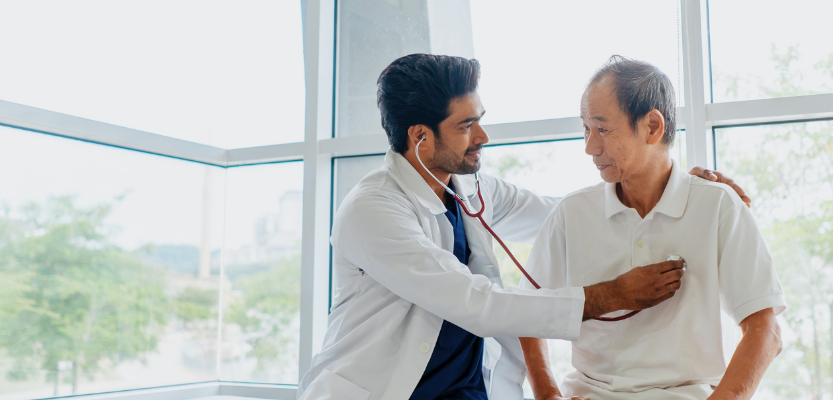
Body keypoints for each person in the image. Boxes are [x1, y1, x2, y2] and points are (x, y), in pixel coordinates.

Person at [302, 53, 752, 400]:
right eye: (467, 125)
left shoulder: (474, 190)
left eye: (481, 119)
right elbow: (473, 302)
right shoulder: (372, 211)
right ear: (421, 138)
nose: (483, 136)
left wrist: (666, 181)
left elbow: (573, 213)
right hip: (381, 389)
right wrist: (610, 296)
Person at [519, 56, 787, 400]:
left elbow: (765, 329)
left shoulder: (718, 205)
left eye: (602, 129)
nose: (590, 147)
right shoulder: (571, 213)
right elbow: (526, 314)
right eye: (585, 129)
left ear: (652, 127)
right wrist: (547, 394)